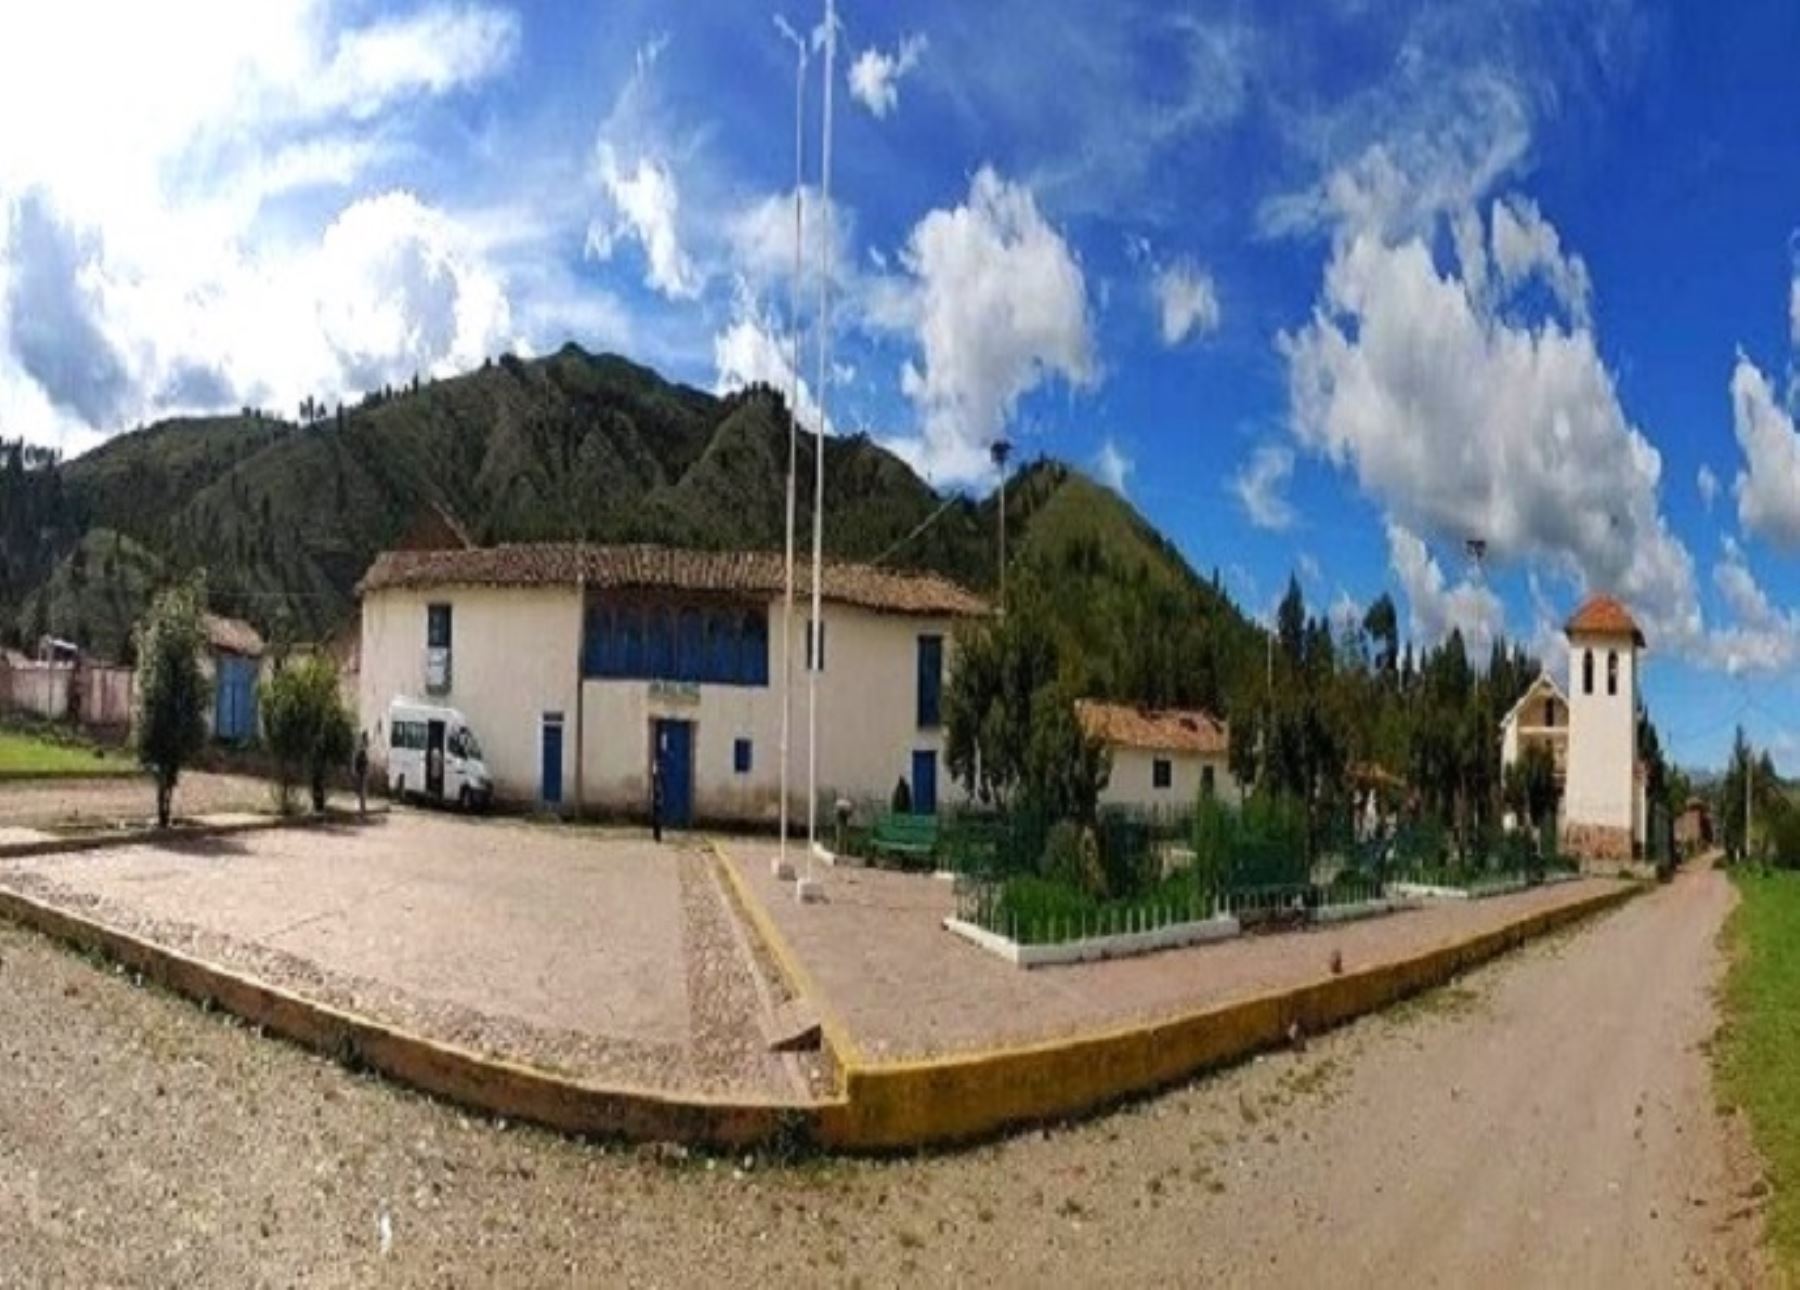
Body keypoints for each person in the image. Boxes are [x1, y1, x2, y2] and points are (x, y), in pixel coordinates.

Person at [650, 739, 665, 843]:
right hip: (657, 793)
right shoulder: (656, 765)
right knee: (657, 815)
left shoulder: (657, 765)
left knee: (657, 815)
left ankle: (657, 835)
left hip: (657, 793)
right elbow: (655, 777)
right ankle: (657, 835)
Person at [353, 732, 370, 815]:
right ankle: (362, 809)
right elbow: (360, 760)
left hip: (362, 771)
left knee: (362, 791)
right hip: (362, 772)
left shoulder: (363, 748)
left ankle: (362, 808)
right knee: (362, 791)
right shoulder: (362, 749)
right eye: (366, 737)